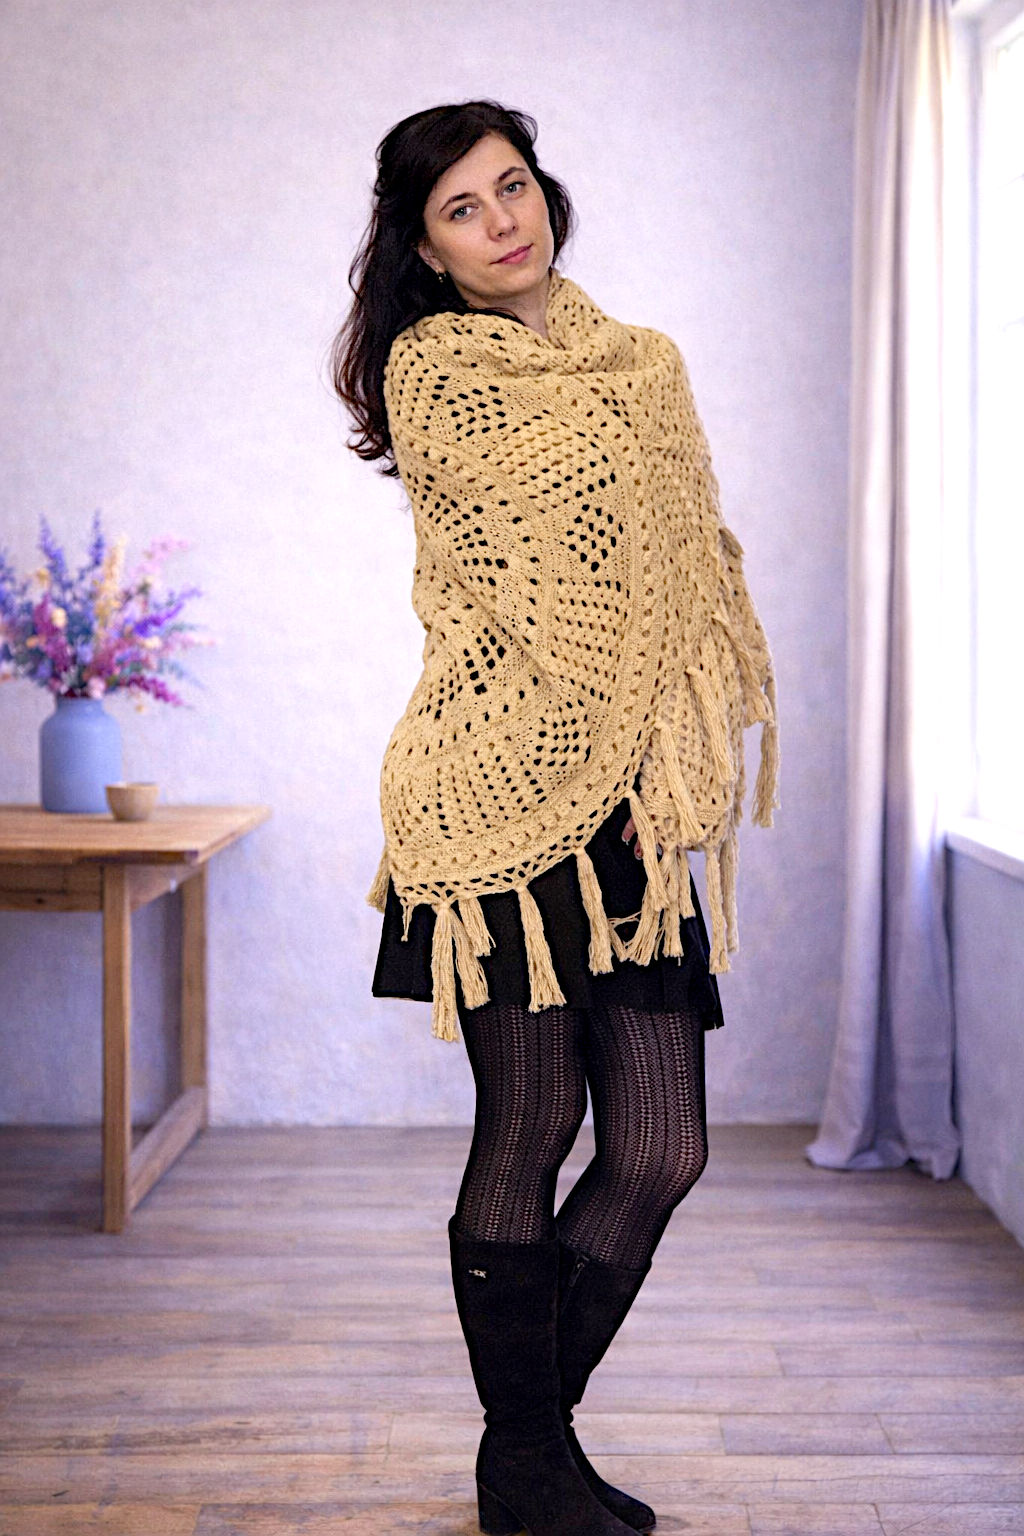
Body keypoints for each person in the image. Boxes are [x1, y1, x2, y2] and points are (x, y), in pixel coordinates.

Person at [331, 100, 778, 1536]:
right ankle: (529, 1462)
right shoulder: (435, 376)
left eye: (511, 187)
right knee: (531, 1126)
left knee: (661, 1149)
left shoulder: (647, 363)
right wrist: (623, 727)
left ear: (545, 193)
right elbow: (551, 598)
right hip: (499, 793)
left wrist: (666, 762)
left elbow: (687, 572)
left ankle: (525, 1446)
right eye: (461, 209)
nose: (500, 222)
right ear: (428, 251)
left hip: (638, 800)